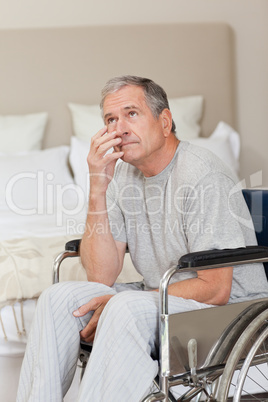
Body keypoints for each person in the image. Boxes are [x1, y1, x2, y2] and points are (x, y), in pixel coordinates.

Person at [17, 76, 268, 401]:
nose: (118, 128)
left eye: (131, 114)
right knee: (58, 300)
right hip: (166, 298)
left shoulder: (203, 175)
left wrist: (130, 300)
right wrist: (97, 186)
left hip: (231, 312)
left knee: (123, 307)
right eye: (110, 119)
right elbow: (101, 275)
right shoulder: (123, 175)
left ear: (165, 122)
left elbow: (217, 288)